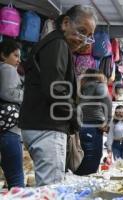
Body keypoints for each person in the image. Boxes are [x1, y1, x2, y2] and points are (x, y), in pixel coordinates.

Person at [19, 5, 97, 186]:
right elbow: (56, 90)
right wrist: (76, 116)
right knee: (51, 190)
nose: (84, 40)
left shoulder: (53, 44)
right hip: (47, 127)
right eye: (81, 31)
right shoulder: (57, 45)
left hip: (40, 125)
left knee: (48, 188)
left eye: (88, 35)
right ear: (66, 23)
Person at [75, 69, 112, 175]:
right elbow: (108, 102)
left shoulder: (79, 87)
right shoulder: (99, 85)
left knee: (80, 160)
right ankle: (87, 189)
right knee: (91, 163)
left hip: (80, 127)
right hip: (94, 127)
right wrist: (107, 121)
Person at [0, 40, 24, 188]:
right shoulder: (7, 69)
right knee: (16, 180)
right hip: (9, 130)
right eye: (15, 55)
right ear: (3, 55)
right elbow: (8, 93)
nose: (18, 60)